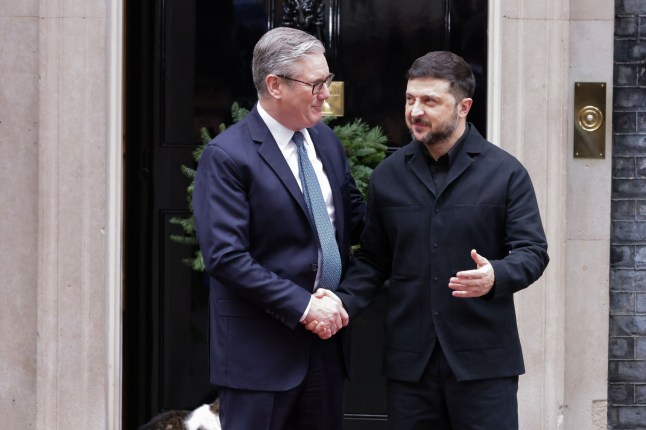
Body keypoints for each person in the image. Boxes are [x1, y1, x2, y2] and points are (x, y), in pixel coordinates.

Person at [312, 51, 550, 429]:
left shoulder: (506, 172)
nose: (415, 111)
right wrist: (341, 302)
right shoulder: (388, 176)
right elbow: (374, 261)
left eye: (430, 101)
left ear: (463, 107)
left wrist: (495, 275)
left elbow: (533, 251)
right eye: (410, 99)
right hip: (410, 367)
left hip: (484, 364)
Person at [193, 26, 365, 430]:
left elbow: (357, 221)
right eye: (316, 84)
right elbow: (226, 257)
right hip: (259, 359)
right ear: (275, 85)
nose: (327, 94)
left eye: (327, 80)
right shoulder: (227, 156)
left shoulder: (326, 143)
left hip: (325, 351)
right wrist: (304, 307)